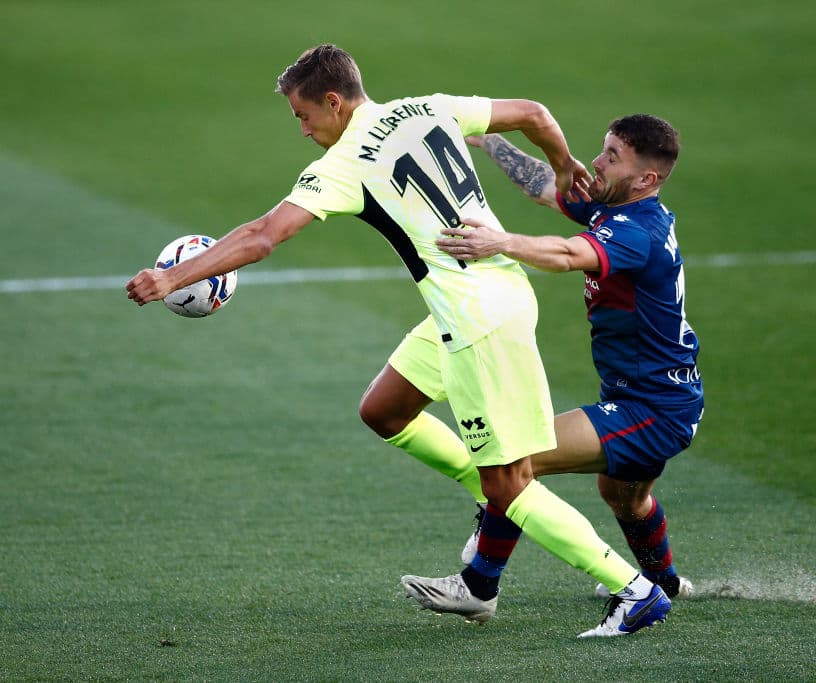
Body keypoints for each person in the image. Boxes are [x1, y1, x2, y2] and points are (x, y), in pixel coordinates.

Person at [125, 44, 669, 638]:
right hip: (478, 298)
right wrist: (564, 164)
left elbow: (262, 235)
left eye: (304, 116)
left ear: (334, 102)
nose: (303, 131)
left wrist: (172, 277)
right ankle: (489, 512)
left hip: (475, 316)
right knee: (384, 409)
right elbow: (534, 113)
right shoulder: (426, 107)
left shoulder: (345, 162)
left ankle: (632, 589)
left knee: (509, 484)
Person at [436, 113, 704, 602]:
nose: (596, 163)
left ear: (647, 178)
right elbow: (543, 184)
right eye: (602, 149)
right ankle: (664, 583)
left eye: (612, 157)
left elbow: (564, 255)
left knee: (516, 458)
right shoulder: (615, 207)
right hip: (657, 395)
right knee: (625, 496)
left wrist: (498, 242)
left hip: (654, 408)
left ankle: (478, 585)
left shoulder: (635, 230)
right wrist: (487, 139)